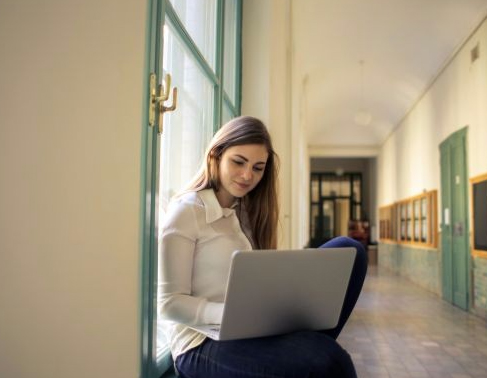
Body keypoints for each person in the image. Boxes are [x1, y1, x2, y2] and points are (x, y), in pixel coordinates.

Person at [158, 116, 367, 378]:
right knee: (329, 360)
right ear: (216, 156)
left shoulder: (246, 211)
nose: (248, 175)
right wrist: (235, 315)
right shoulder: (186, 211)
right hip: (199, 343)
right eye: (239, 162)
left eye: (258, 168)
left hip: (251, 328)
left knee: (351, 249)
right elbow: (169, 304)